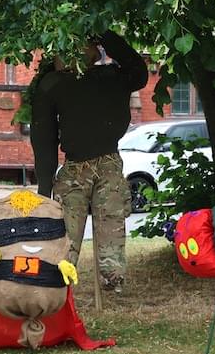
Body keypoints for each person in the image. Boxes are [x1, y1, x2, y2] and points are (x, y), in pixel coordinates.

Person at [31, 30, 148, 293]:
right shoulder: (53, 84)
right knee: (65, 238)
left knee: (111, 232)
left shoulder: (111, 78)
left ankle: (112, 282)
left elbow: (138, 73)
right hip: (74, 170)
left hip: (108, 166)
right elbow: (44, 137)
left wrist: (106, 35)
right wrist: (44, 187)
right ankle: (58, 286)